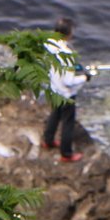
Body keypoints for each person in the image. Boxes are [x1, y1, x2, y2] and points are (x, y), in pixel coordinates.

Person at [41, 16, 91, 163]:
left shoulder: (49, 44)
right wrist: (85, 78)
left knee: (55, 115)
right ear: (67, 34)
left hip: (54, 89)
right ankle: (66, 154)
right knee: (68, 123)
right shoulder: (67, 53)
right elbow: (69, 81)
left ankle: (48, 140)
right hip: (66, 93)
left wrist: (76, 67)